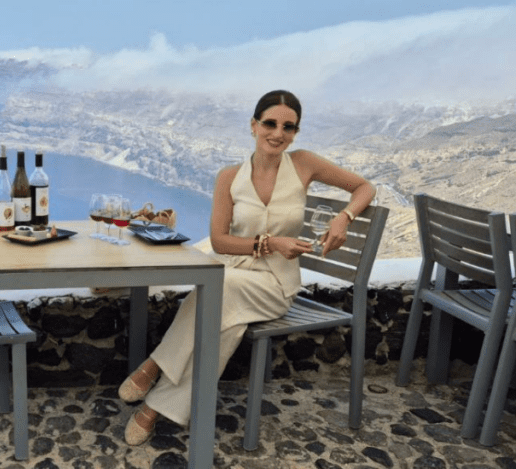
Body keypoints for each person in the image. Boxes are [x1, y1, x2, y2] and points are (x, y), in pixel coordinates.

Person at [117, 90, 376, 445]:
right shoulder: (229, 177)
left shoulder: (304, 163)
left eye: (288, 127)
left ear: (296, 133)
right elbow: (220, 241)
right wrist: (271, 243)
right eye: (270, 123)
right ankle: (155, 409)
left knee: (216, 286)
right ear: (253, 126)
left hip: (275, 285)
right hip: (233, 275)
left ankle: (155, 365)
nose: (278, 133)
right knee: (223, 326)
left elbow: (364, 187)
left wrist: (343, 218)